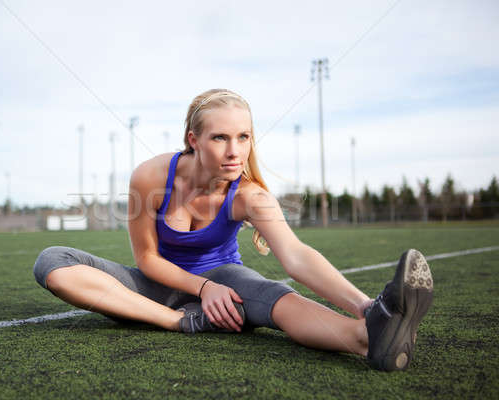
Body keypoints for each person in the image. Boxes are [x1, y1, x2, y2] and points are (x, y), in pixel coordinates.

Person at [33, 88, 433, 371]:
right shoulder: (150, 177)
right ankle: (178, 321)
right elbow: (147, 260)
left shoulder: (250, 196)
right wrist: (198, 296)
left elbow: (295, 257)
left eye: (243, 137)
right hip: (158, 287)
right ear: (194, 140)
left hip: (228, 283)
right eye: (220, 137)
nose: (234, 151)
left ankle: (367, 336)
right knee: (53, 262)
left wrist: (364, 305)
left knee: (277, 297)